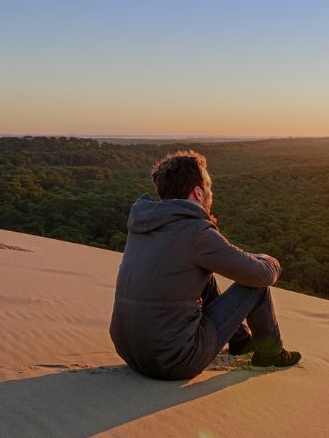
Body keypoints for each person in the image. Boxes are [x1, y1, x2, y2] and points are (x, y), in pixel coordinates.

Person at [109, 150, 301, 379]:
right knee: (256, 287)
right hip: (173, 360)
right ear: (198, 192)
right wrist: (269, 259)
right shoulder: (196, 232)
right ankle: (271, 353)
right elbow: (261, 275)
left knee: (205, 278)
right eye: (208, 186)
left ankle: (240, 341)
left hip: (130, 352)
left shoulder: (143, 224)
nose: (211, 192)